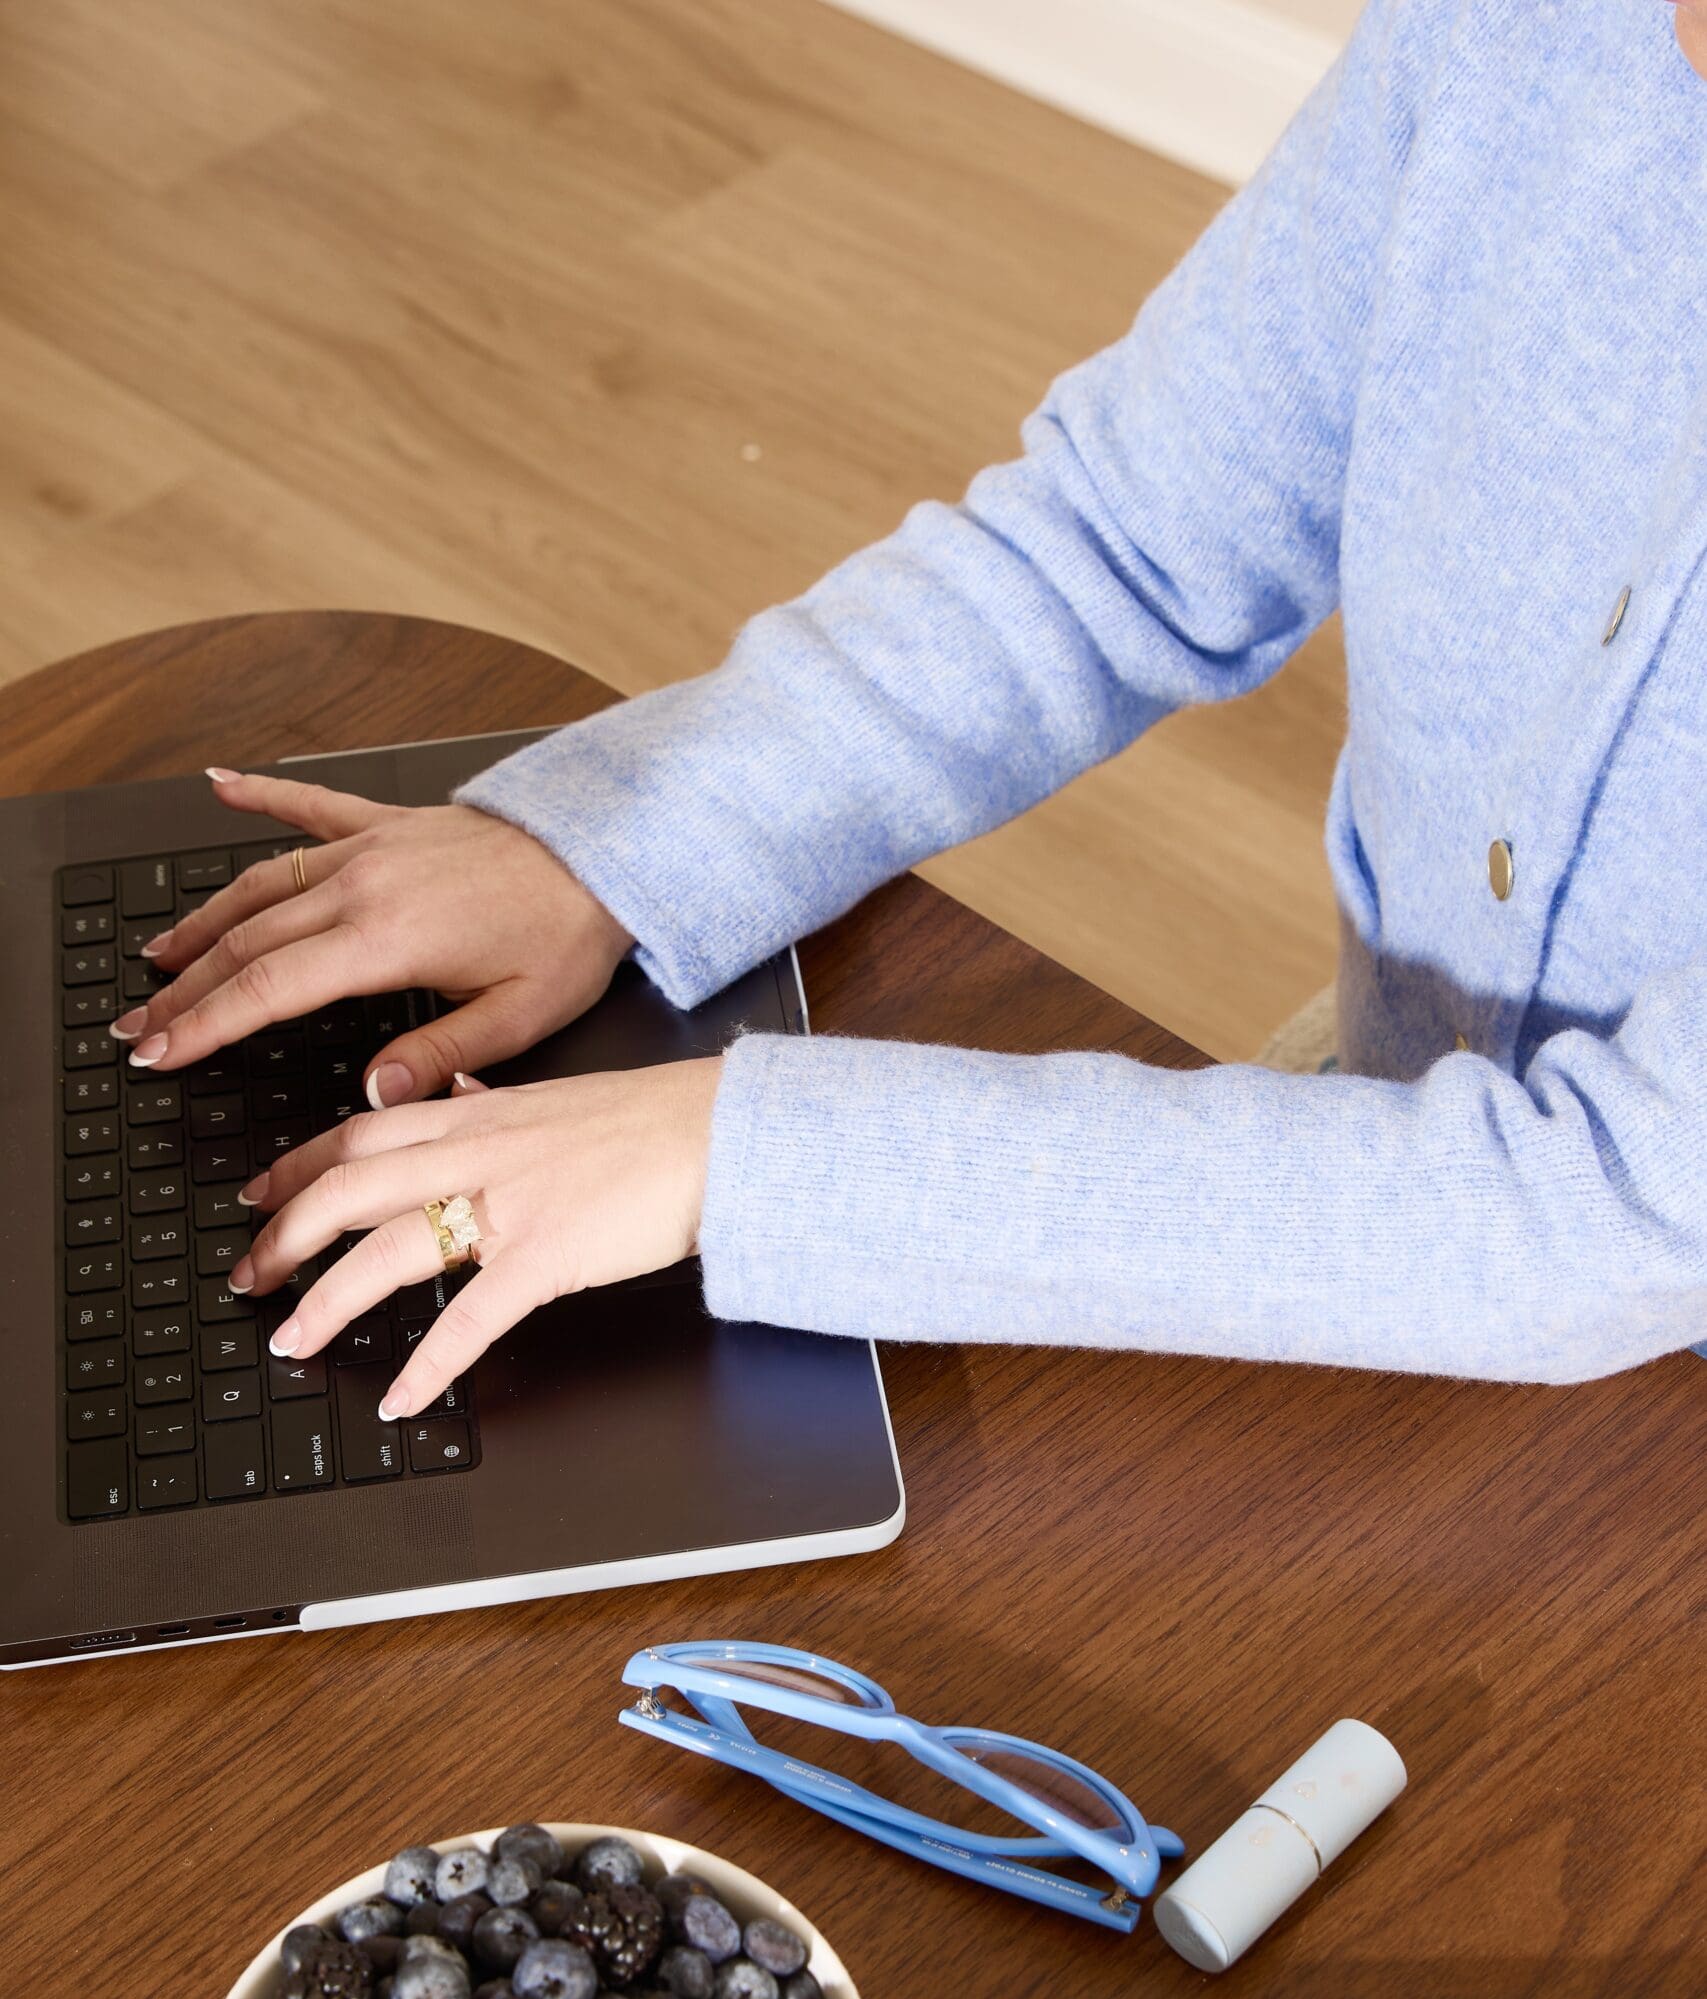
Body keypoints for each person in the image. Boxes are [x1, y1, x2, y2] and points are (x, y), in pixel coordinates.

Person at [111, 0, 1707, 1424]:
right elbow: (1129, 538)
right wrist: (625, 842)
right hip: (1410, 1161)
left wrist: (740, 1154)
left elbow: (1606, 1208)